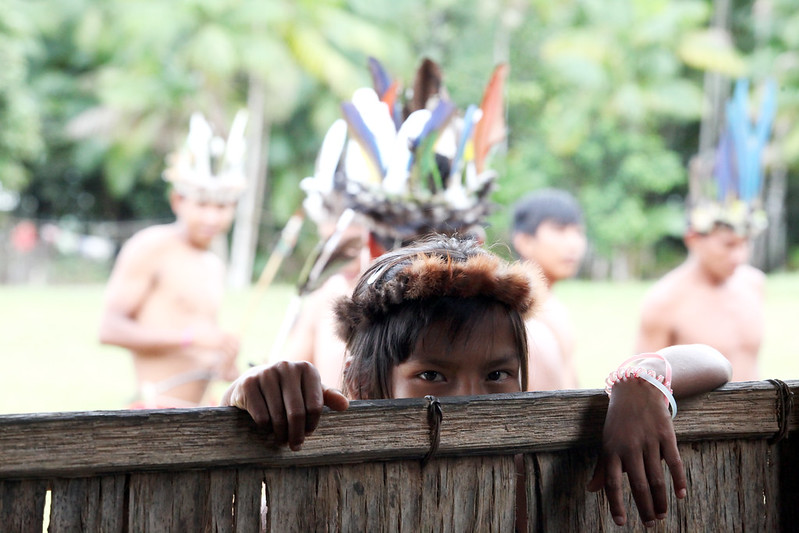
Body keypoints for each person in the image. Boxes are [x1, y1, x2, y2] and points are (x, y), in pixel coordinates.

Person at [223, 235, 732, 528]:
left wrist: (641, 378)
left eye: (496, 375)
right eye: (431, 375)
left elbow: (712, 361)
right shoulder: (335, 444)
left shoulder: (543, 438)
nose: (470, 400)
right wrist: (249, 390)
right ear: (361, 379)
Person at [274, 57, 508, 387]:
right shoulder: (332, 298)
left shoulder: (491, 316)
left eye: (439, 241)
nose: (415, 256)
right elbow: (278, 386)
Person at [99, 111, 248, 407]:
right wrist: (190, 338)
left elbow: (201, 340)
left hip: (201, 412)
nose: (212, 217)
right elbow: (109, 328)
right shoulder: (151, 246)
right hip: (156, 411)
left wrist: (223, 363)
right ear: (178, 200)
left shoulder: (212, 263)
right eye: (202, 203)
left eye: (222, 206)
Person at [635, 79, 776, 382]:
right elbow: (639, 386)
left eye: (744, 243)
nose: (739, 255)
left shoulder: (755, 285)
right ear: (693, 239)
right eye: (728, 244)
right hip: (698, 429)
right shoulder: (664, 300)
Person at [511, 188, 586, 390]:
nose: (574, 244)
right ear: (525, 241)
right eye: (559, 231)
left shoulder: (552, 305)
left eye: (577, 232)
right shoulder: (522, 317)